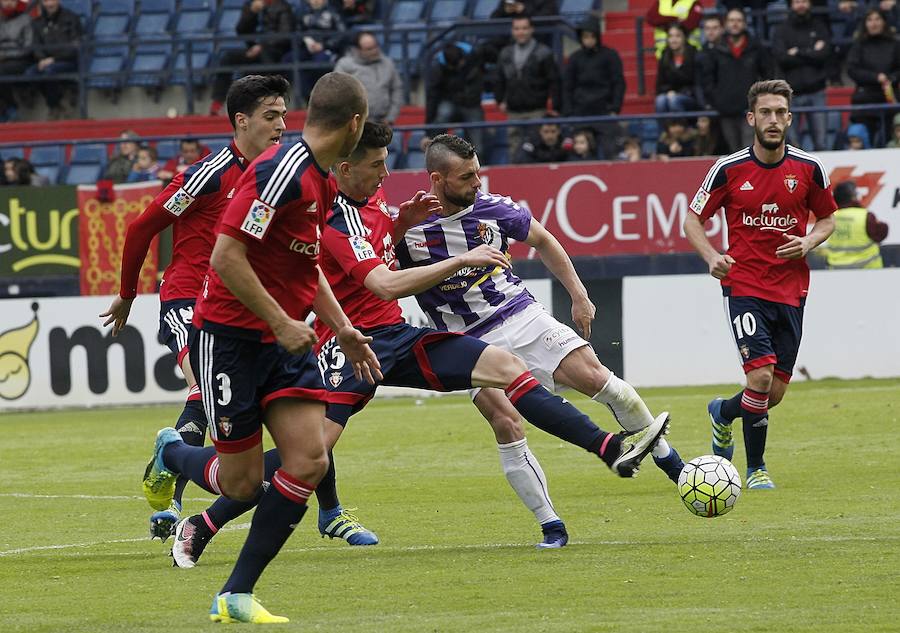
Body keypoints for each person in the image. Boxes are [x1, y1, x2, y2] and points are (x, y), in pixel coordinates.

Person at [165, 124, 671, 570]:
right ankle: (196, 502)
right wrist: (462, 260)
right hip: (349, 346)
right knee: (303, 459)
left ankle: (607, 448)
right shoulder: (332, 216)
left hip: (397, 336)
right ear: (345, 167)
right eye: (376, 166)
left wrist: (401, 223)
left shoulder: (376, 205)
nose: (385, 175)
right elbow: (382, 283)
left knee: (503, 366)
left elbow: (383, 253)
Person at [140, 72, 377, 624]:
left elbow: (304, 262)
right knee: (243, 480)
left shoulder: (318, 179)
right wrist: (279, 320)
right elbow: (225, 258)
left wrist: (339, 326)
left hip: (284, 342)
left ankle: (236, 593)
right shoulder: (283, 172)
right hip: (231, 341)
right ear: (355, 123)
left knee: (310, 459)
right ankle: (173, 453)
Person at [395, 135, 682, 485]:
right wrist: (399, 231)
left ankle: (675, 467)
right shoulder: (406, 226)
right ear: (437, 179)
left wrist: (578, 294)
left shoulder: (495, 209)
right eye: (467, 177)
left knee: (599, 379)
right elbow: (382, 277)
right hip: (467, 340)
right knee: (506, 422)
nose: (477, 182)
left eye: (477, 172)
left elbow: (544, 240)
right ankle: (551, 526)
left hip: (519, 314)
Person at [100, 75, 292, 541]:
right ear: (241, 121)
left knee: (293, 410)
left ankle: (330, 509)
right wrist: (127, 293)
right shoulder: (210, 173)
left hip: (239, 307)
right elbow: (141, 227)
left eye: (285, 115)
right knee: (206, 389)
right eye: (272, 116)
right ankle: (176, 493)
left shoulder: (276, 174)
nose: (283, 126)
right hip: (188, 298)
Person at [683, 79, 836, 490]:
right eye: (764, 112)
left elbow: (827, 219)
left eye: (779, 113)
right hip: (744, 285)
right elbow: (692, 219)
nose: (772, 120)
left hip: (791, 289)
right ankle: (756, 469)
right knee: (761, 378)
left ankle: (722, 413)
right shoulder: (728, 169)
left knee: (775, 392)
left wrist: (808, 240)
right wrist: (714, 257)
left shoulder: (809, 168)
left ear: (789, 118)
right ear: (751, 118)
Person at [702, 8, 772, 153]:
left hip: (750, 110)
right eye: (732, 20)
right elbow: (708, 80)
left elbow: (768, 74)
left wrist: (760, 100)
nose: (735, 24)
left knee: (750, 151)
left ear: (745, 24)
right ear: (726, 24)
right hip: (726, 111)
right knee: (734, 153)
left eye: (739, 20)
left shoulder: (756, 48)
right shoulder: (716, 50)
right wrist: (718, 100)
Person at [208, 0, 294, 116]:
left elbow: (285, 35)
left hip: (274, 51)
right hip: (253, 50)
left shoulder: (282, 6)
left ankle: (259, 106)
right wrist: (251, 13)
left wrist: (262, 46)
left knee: (260, 64)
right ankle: (217, 104)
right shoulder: (250, 5)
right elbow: (241, 31)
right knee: (227, 58)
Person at [496, 15, 562, 160]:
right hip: (513, 112)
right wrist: (499, 99)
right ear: (512, 31)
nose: (521, 32)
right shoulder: (505, 53)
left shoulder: (544, 52)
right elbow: (500, 79)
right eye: (517, 28)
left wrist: (556, 106)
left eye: (524, 28)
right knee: (514, 152)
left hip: (537, 111)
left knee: (538, 149)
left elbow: (554, 80)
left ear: (531, 29)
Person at [562, 15, 624, 160]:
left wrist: (615, 108)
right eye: (585, 37)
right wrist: (569, 112)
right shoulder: (575, 58)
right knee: (579, 153)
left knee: (611, 151)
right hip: (580, 113)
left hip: (604, 112)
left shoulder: (610, 56)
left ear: (597, 36)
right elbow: (567, 86)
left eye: (591, 36)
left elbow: (618, 82)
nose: (588, 40)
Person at [772, 0, 831, 151]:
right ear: (791, 5)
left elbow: (824, 55)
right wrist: (811, 51)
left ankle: (820, 174)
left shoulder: (820, 26)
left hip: (817, 90)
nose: (801, 5)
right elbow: (781, 58)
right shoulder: (782, 30)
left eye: (804, 1)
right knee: (791, 145)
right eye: (797, 1)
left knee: (821, 143)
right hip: (792, 94)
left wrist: (797, 52)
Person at [846, 9, 900, 146]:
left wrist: (891, 78)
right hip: (864, 101)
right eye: (870, 20)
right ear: (865, 24)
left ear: (884, 22)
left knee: (889, 139)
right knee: (863, 139)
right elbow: (852, 70)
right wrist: (875, 77)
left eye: (877, 19)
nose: (874, 23)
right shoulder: (859, 45)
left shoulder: (894, 44)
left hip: (889, 99)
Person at [425, 41, 486, 154]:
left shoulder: (474, 57)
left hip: (471, 102)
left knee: (478, 143)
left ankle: (478, 167)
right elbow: (432, 96)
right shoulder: (438, 67)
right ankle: (434, 150)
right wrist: (427, 131)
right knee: (441, 117)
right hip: (450, 100)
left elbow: (478, 84)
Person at [27, 0, 82, 120]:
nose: (49, 4)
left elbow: (75, 47)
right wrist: (41, 58)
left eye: (52, 0)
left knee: (49, 71)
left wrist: (54, 59)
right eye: (46, 1)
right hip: (46, 61)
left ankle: (54, 105)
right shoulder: (37, 22)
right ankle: (55, 103)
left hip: (68, 61)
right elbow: (35, 45)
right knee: (30, 73)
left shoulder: (71, 18)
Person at [334, 31, 403, 125]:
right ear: (357, 50)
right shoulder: (344, 65)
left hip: (383, 122)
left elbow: (396, 90)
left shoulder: (387, 63)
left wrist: (390, 117)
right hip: (355, 124)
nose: (374, 51)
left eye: (376, 46)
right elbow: (337, 94)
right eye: (369, 49)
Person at [820, 180, 888, 269]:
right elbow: (881, 233)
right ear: (853, 197)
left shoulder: (830, 217)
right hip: (868, 273)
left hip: (837, 272)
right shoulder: (865, 216)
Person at [295, 0, 345, 98]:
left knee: (319, 63)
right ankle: (307, 97)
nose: (316, 1)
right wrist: (306, 41)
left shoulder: (334, 12)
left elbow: (341, 35)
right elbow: (298, 31)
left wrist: (324, 45)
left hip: (327, 48)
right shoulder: (303, 13)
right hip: (307, 48)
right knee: (289, 59)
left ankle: (321, 96)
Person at [655, 23, 700, 113]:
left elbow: (697, 83)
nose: (673, 40)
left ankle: (683, 126)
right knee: (660, 100)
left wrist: (678, 93)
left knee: (674, 101)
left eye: (678, 36)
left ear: (684, 38)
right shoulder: (664, 56)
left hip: (690, 96)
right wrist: (669, 91)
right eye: (670, 36)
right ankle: (666, 127)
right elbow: (659, 85)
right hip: (670, 94)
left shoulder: (694, 55)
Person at [0, 0, 33, 122]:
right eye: (4, 0)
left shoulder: (25, 19)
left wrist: (5, 55)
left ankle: (12, 109)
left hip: (21, 60)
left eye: (11, 0)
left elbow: (28, 47)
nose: (8, 3)